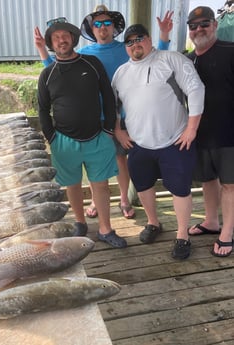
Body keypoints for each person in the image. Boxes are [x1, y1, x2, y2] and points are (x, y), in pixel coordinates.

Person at [34, 5, 174, 220]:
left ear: (114, 27)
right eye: (97, 24)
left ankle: (126, 200)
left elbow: (152, 56)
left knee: (122, 160)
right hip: (95, 120)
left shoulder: (125, 48)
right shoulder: (84, 54)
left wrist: (164, 35)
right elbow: (57, 70)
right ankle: (95, 201)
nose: (102, 28)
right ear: (91, 29)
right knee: (94, 164)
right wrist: (43, 49)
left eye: (107, 23)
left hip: (127, 116)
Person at [112, 24, 205, 259]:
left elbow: (195, 90)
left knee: (180, 189)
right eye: (130, 42)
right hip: (139, 144)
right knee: (143, 186)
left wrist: (192, 128)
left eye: (139, 38)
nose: (135, 45)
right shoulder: (121, 73)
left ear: (150, 39)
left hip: (175, 140)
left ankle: (182, 235)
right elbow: (112, 106)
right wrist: (119, 132)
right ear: (126, 47)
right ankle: (153, 223)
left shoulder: (171, 59)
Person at [37, 19, 126, 248]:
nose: (61, 40)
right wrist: (52, 138)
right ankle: (80, 222)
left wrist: (108, 129)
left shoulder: (92, 63)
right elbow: (42, 110)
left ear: (73, 38)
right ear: (50, 43)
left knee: (102, 185)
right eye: (55, 37)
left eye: (65, 35)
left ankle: (106, 229)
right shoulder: (47, 74)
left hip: (98, 136)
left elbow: (108, 96)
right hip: (63, 141)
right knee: (72, 185)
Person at [185, 6, 234, 257]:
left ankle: (228, 232)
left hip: (229, 135)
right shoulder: (188, 59)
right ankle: (211, 221)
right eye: (193, 26)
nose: (199, 29)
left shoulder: (230, 50)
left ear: (215, 25)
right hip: (200, 134)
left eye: (204, 23)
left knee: (230, 185)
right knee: (207, 180)